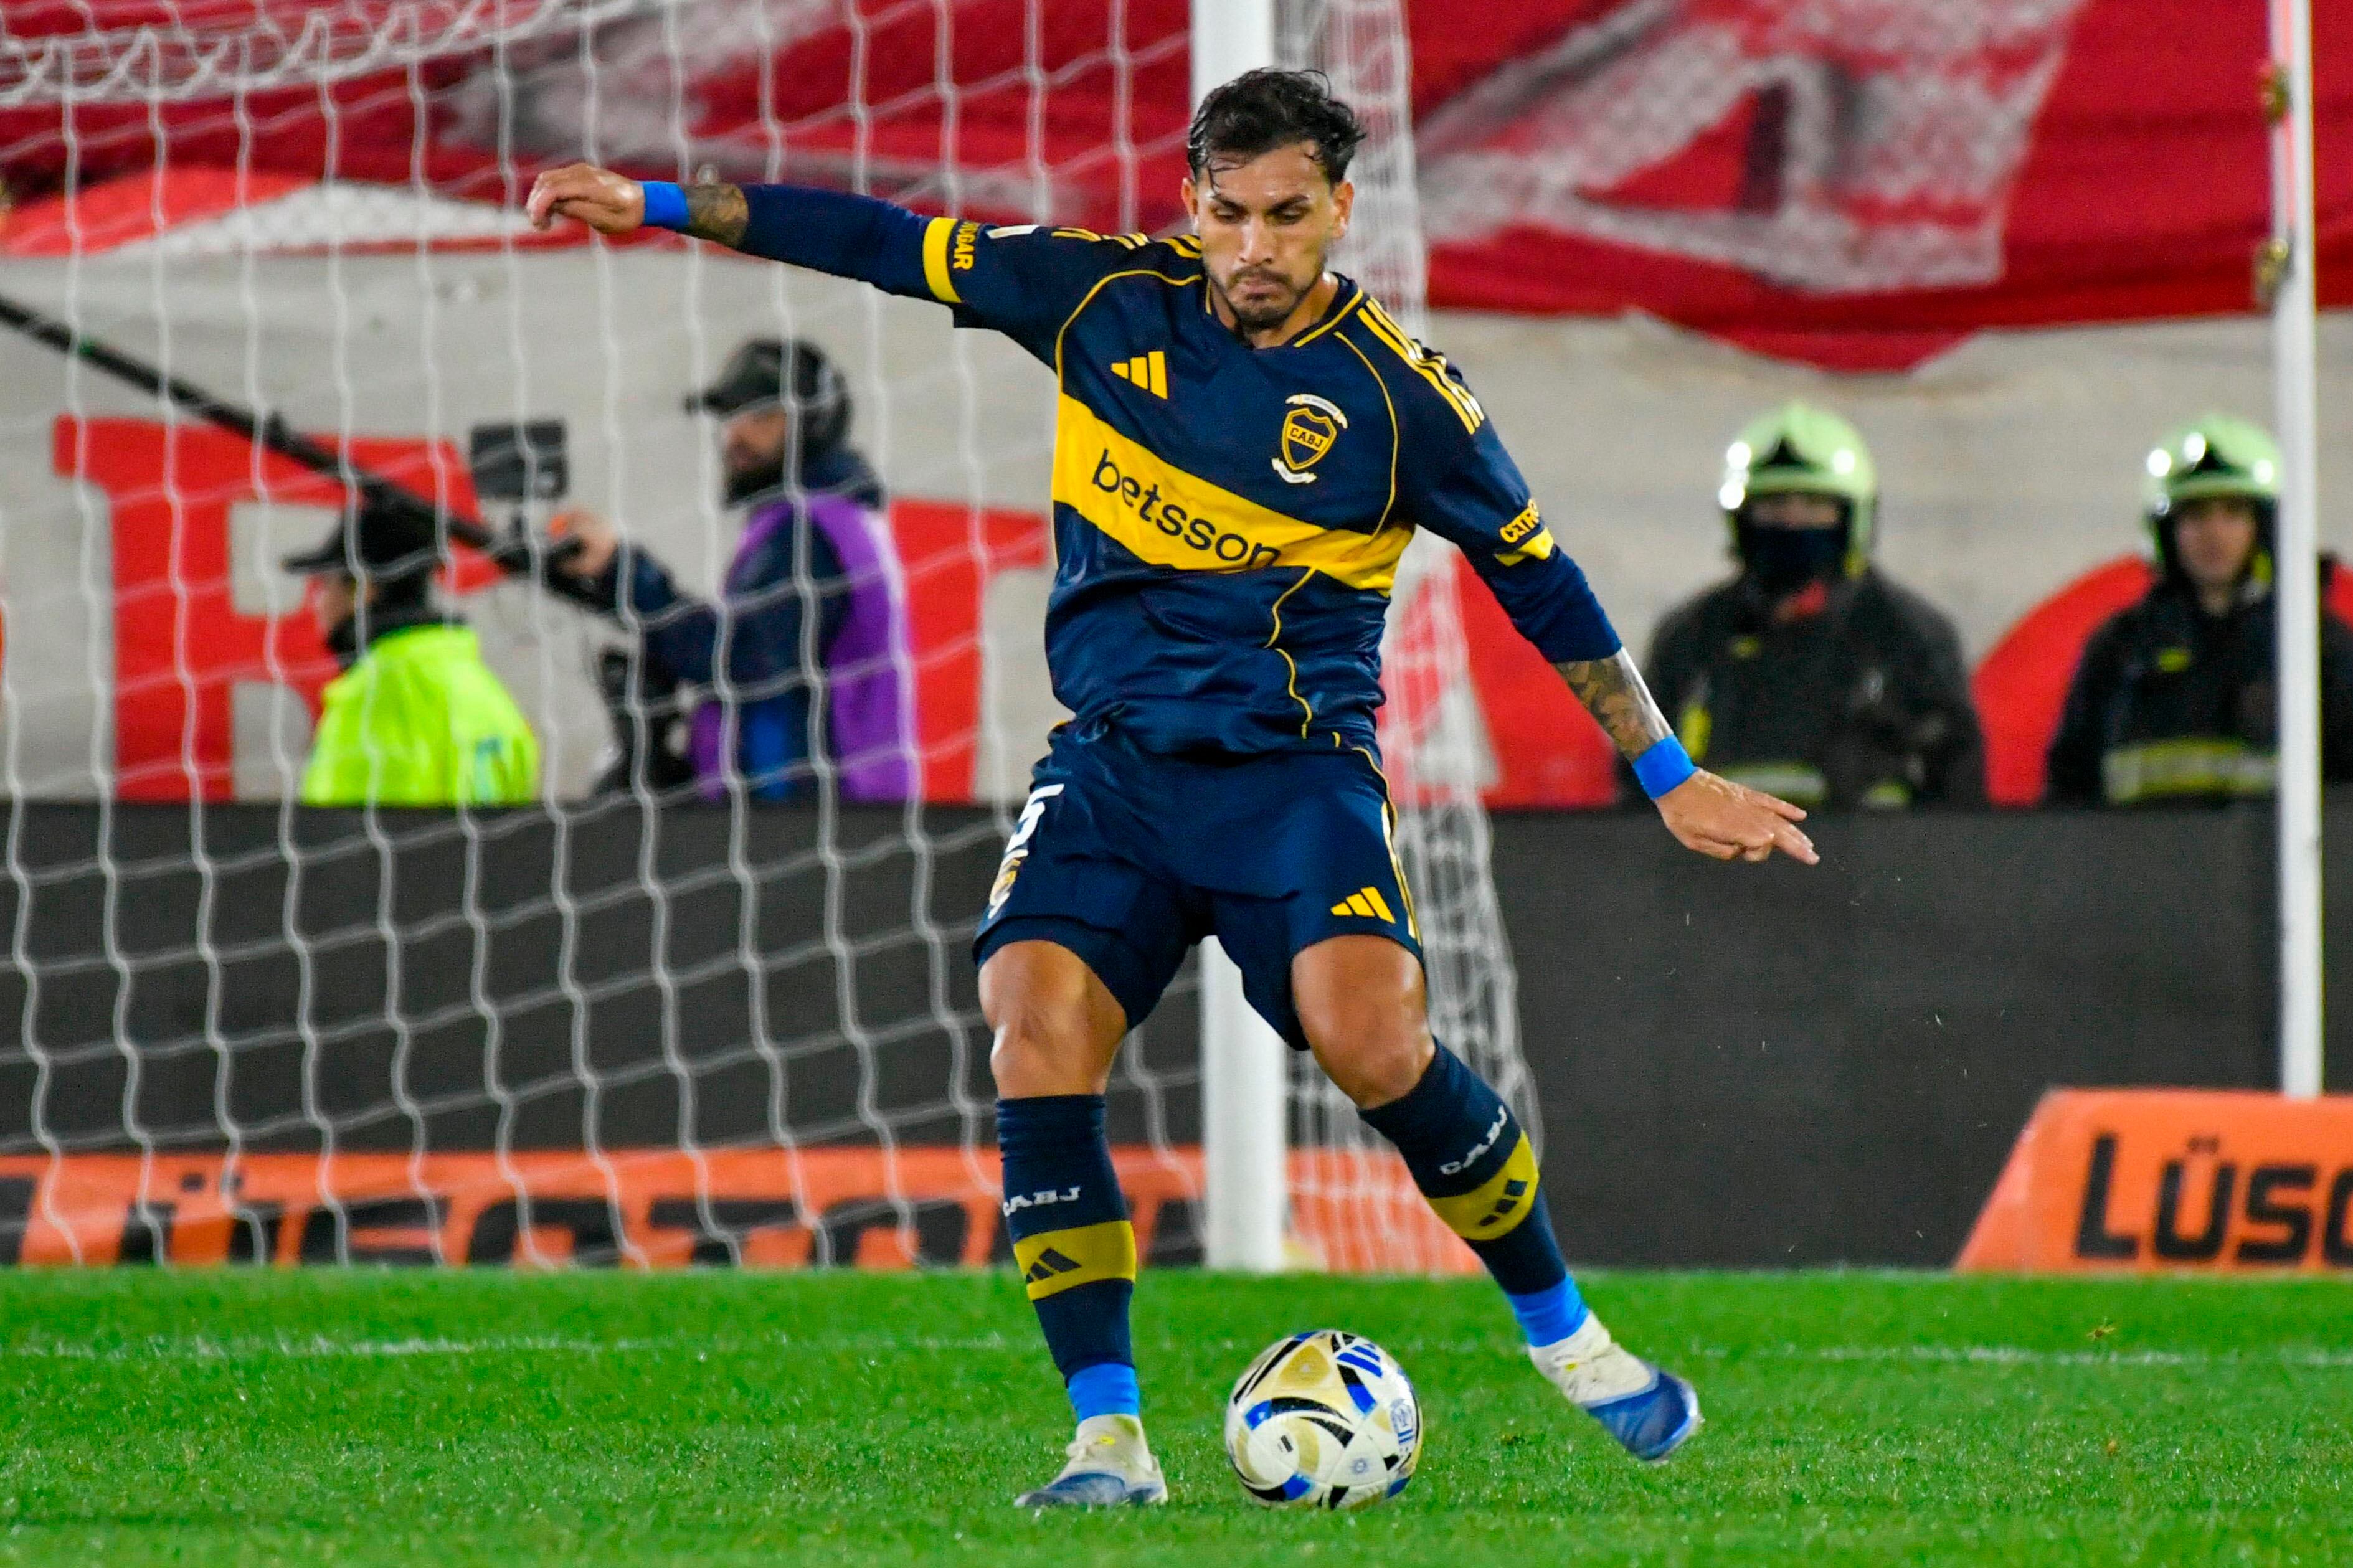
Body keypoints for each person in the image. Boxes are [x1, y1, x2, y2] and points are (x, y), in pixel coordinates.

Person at [529, 68, 1814, 1506]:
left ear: (1336, 210)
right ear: (1187, 201)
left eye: (1284, 214)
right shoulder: (1096, 300)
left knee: (1370, 1038)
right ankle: (1107, 1442)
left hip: (1287, 778)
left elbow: (1543, 582)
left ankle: (1569, 1340)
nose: (1252, 246)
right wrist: (648, 203)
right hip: (1112, 768)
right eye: (1226, 212)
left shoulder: (1401, 402)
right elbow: (881, 242)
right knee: (1031, 1026)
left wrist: (1663, 769)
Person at [549, 337, 914, 802]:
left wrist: (626, 574)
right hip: (813, 815)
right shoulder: (821, 521)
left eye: (761, 417)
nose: (736, 435)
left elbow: (742, 661)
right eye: (731, 417)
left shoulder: (810, 533)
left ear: (813, 425)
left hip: (807, 821)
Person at [1641, 404, 1984, 809]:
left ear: (1853, 519)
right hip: (1721, 866)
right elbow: (1640, 789)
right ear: (1741, 519)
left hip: (1873, 866)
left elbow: (1958, 800)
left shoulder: (1910, 638)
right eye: (1773, 507)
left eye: (1813, 507)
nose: (1791, 523)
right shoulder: (1691, 639)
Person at [2046, 417, 2353, 805]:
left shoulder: (2318, 650)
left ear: (2266, 526)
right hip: (2136, 866)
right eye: (2196, 515)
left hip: (2272, 868)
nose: (2215, 533)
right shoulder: (2119, 652)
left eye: (2234, 512)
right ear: (2166, 531)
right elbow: (2068, 798)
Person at [288, 496, 539, 807]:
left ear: (363, 588)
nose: (318, 604)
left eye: (324, 586)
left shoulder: (376, 695)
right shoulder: (489, 695)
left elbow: (345, 838)